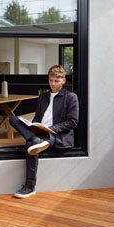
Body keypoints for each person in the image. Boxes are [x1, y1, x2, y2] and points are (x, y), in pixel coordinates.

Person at [9, 64, 79, 198]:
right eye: (51, 80)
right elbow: (38, 116)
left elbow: (73, 122)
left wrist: (50, 128)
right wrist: (33, 125)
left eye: (56, 81)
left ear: (63, 81)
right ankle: (34, 138)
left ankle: (30, 186)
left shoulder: (71, 97)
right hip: (39, 131)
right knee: (13, 119)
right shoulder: (43, 96)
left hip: (56, 135)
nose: (53, 83)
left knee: (31, 145)